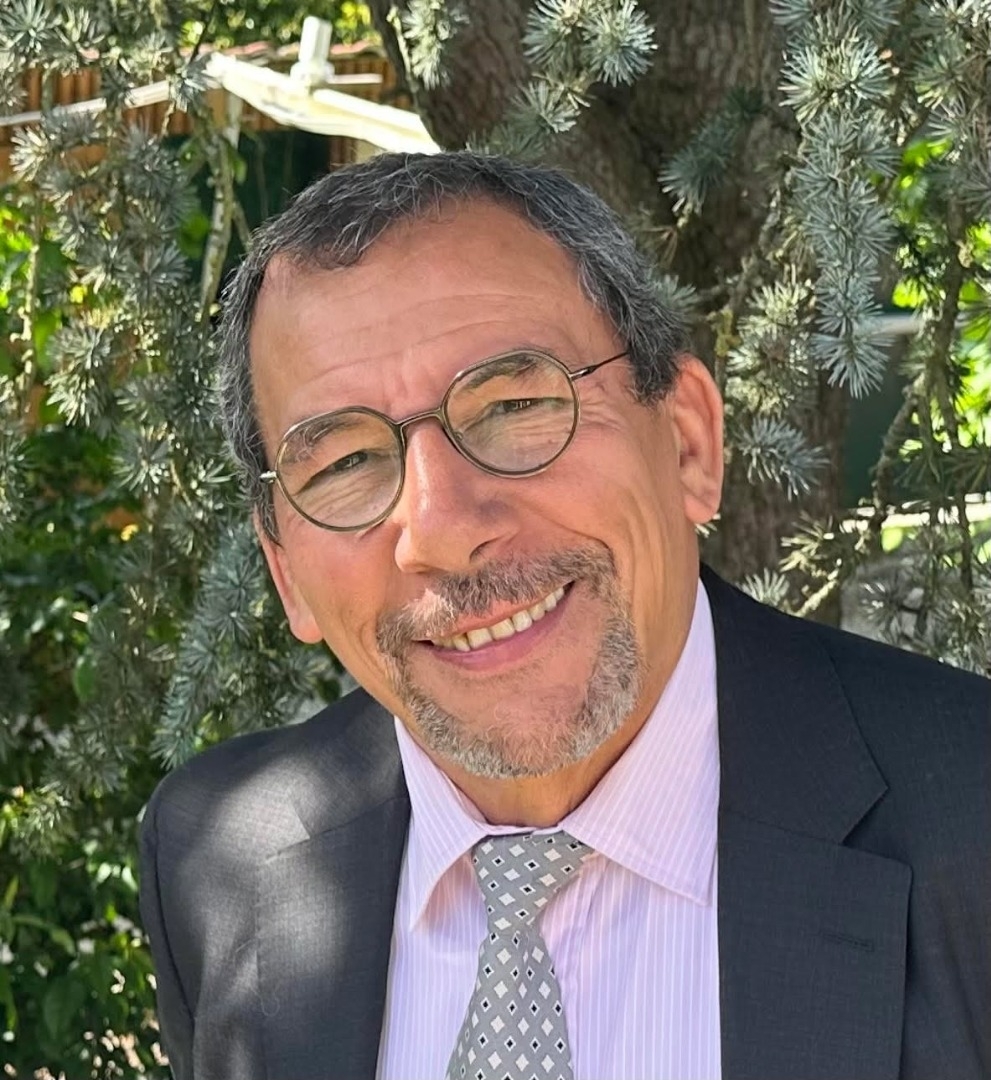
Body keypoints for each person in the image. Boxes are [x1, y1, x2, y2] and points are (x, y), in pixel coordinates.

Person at [138, 151, 990, 1080]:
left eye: (513, 405)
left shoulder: (969, 821)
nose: (440, 529)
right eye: (343, 463)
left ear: (688, 443)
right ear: (286, 574)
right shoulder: (219, 860)